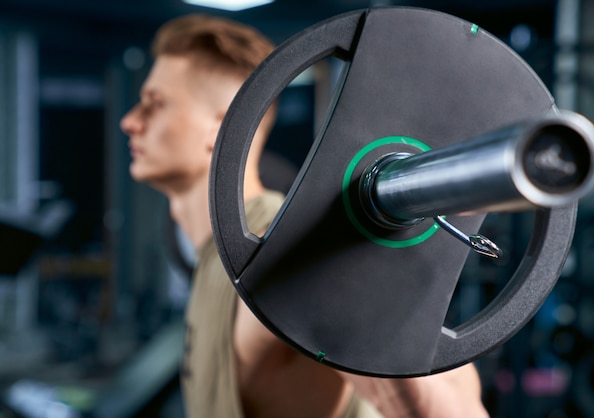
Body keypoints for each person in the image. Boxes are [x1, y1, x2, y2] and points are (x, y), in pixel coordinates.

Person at [120, 13, 490, 418]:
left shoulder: (284, 244)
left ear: (220, 127)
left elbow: (452, 404)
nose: (130, 122)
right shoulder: (216, 255)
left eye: (154, 105)